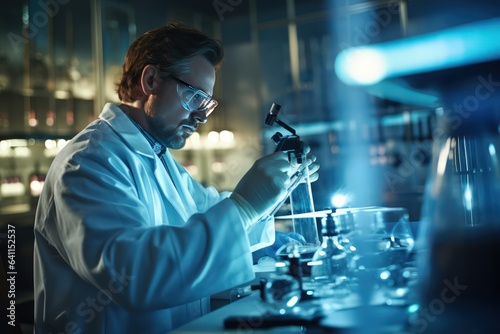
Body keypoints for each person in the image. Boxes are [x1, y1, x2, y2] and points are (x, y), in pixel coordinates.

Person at [33, 22, 319, 333]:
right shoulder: (88, 162)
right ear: (151, 79)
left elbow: (206, 216)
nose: (201, 116)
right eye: (195, 97)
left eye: (207, 104)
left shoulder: (157, 157)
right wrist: (246, 206)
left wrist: (276, 190)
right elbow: (135, 276)